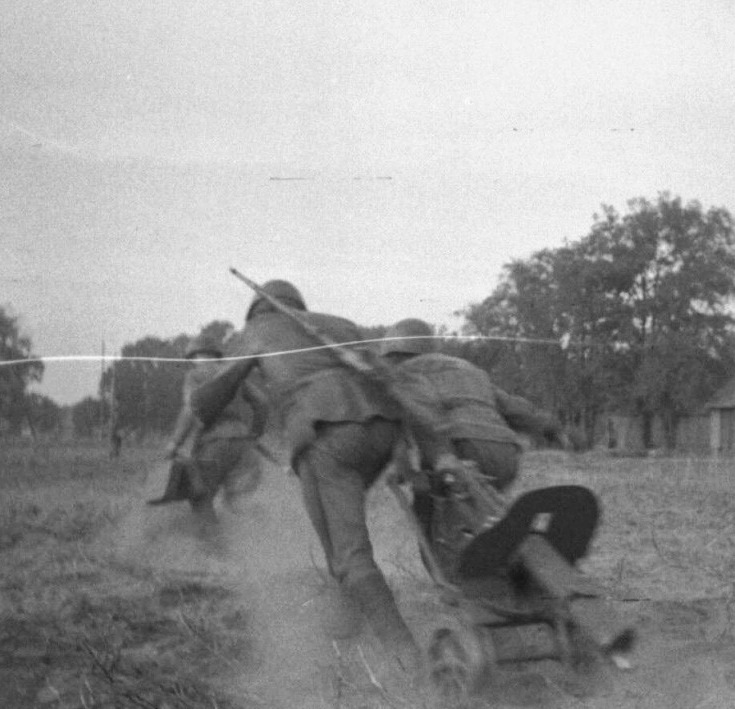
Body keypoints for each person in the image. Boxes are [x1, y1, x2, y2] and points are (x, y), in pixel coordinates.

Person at [187, 281, 418, 670]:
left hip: (327, 432)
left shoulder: (257, 330)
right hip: (384, 429)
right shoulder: (339, 324)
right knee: (335, 533)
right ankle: (346, 623)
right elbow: (382, 378)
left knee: (348, 553)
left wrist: (201, 399)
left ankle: (407, 660)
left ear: (257, 311)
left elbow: (211, 396)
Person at [380, 318, 566, 568]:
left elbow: (404, 423)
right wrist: (553, 428)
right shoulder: (468, 369)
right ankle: (507, 565)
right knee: (485, 515)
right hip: (505, 454)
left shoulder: (403, 374)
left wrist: (405, 471)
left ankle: (450, 580)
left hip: (461, 447)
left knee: (428, 509)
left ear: (393, 352)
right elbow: (514, 408)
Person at [162, 332, 268, 541]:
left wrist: (175, 442)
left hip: (214, 445)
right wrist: (254, 434)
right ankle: (260, 544)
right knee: (239, 501)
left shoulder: (195, 376)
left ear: (195, 356)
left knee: (200, 497)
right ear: (217, 354)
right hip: (244, 447)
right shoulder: (233, 374)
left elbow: (191, 407)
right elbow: (262, 403)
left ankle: (215, 553)